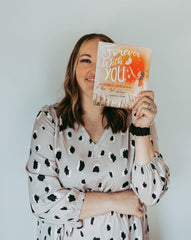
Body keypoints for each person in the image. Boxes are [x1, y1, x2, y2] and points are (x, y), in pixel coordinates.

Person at [25, 33, 170, 240]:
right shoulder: (50, 120)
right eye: (86, 60)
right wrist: (115, 202)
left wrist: (142, 129)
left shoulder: (135, 119)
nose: (95, 70)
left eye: (104, 61)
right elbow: (42, 201)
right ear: (73, 69)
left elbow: (150, 194)